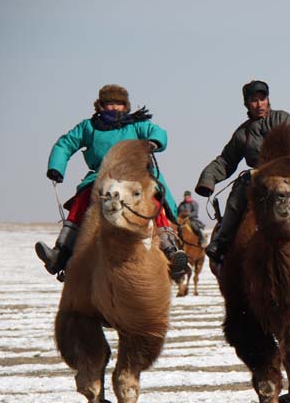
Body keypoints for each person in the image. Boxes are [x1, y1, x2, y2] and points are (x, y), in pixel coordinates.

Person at [35, 84, 187, 280]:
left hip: (136, 173)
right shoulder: (89, 127)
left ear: (126, 106)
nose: (115, 107)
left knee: (154, 198)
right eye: (110, 103)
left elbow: (158, 131)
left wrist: (153, 142)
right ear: (100, 105)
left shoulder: (136, 125)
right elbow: (65, 144)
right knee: (82, 199)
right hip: (101, 175)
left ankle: (169, 249)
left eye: (119, 104)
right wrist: (57, 166)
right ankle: (61, 252)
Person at [195, 80, 290, 270]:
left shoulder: (282, 118)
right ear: (246, 103)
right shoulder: (243, 133)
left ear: (268, 99)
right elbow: (226, 160)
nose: (259, 104)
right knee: (236, 198)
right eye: (254, 100)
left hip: (286, 171)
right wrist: (208, 179)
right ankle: (221, 242)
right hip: (258, 176)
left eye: (263, 99)